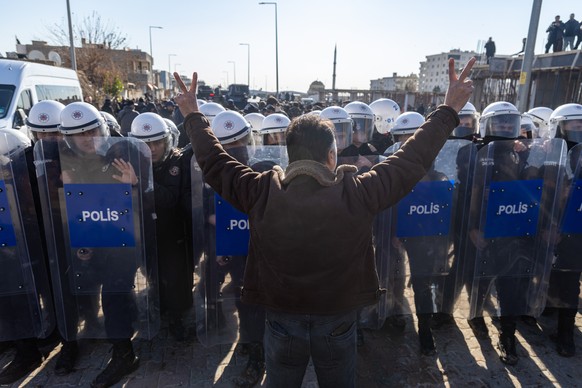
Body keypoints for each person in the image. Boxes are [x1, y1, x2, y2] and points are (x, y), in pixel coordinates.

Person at [173, 56, 475, 387]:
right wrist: (448, 110)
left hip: (281, 318)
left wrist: (192, 115)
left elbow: (215, 163)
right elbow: (411, 160)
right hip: (337, 319)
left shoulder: (260, 191)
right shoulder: (359, 192)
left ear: (290, 156)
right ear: (331, 156)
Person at [129, 112, 192, 342]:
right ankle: (159, 307)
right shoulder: (132, 162)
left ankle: (177, 318)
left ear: (167, 141)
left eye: (157, 142)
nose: (152, 148)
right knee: (153, 274)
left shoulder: (176, 162)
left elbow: (169, 198)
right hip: (145, 231)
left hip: (172, 232)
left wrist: (140, 183)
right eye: (145, 143)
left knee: (174, 277)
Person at [545, 103, 582, 357]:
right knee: (548, 276)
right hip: (551, 229)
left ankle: (566, 334)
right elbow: (540, 197)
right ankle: (546, 308)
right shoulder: (550, 156)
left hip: (576, 232)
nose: (580, 130)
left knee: (570, 281)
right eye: (575, 125)